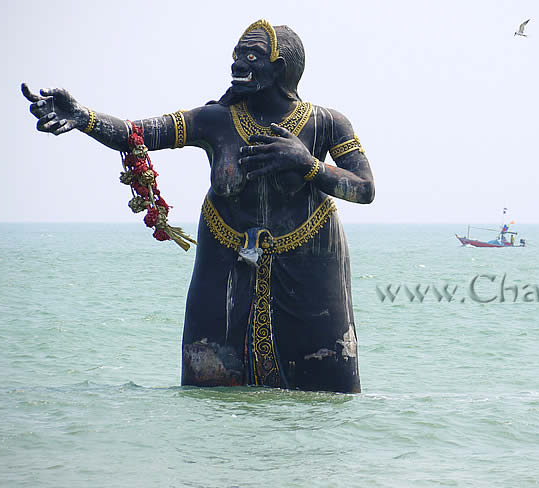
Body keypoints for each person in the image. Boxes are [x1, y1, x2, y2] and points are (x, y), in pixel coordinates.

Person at [22, 20, 374, 393]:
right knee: (210, 390)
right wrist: (83, 117)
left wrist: (307, 164)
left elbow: (364, 189)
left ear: (281, 67)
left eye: (252, 55)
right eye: (237, 55)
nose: (239, 63)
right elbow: (135, 133)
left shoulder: (327, 123)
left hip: (309, 271)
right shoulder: (214, 121)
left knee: (324, 392)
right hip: (224, 265)